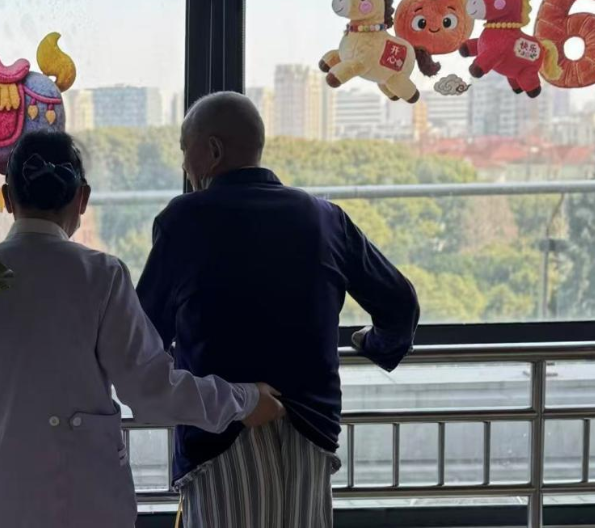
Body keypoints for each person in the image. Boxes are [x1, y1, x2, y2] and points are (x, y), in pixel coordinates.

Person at [0, 130, 285, 528]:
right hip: (84, 503)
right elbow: (151, 390)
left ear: (7, 199)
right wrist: (243, 401)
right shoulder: (100, 276)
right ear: (82, 198)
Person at [137, 91, 420, 528]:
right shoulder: (326, 218)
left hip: (222, 435)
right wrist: (373, 344)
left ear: (212, 151)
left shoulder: (185, 220)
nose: (185, 166)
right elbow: (401, 306)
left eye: (184, 151)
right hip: (309, 432)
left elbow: (142, 335)